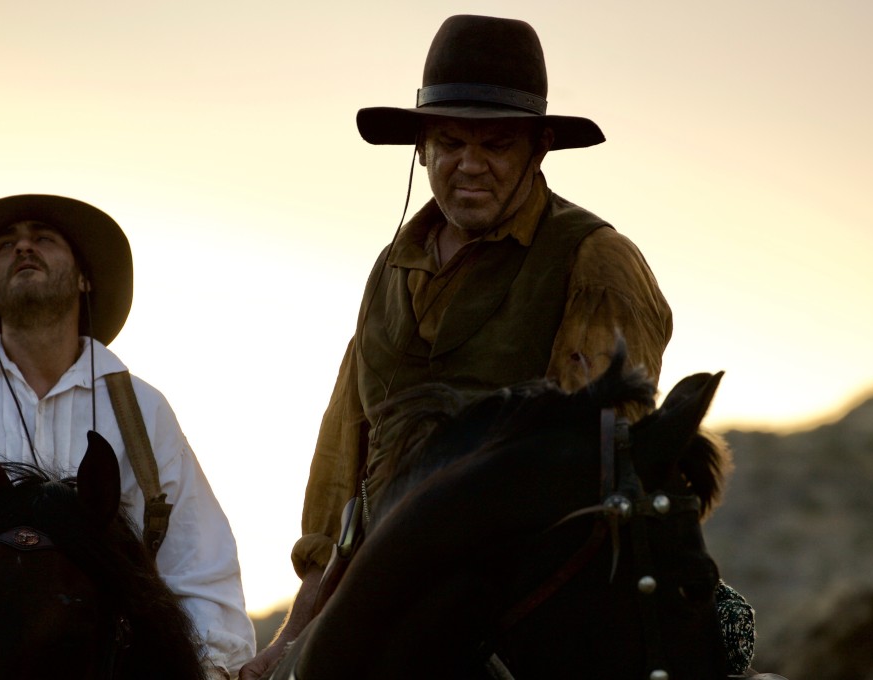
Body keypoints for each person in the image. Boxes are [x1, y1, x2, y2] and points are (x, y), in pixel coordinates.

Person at [243, 14, 753, 679]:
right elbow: (344, 453)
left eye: (497, 143)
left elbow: (580, 464)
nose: (469, 165)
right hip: (380, 588)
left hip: (515, 605)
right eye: (450, 141)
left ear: (539, 147)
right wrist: (299, 626)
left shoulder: (595, 260)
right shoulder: (391, 269)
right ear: (421, 148)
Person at [0, 195, 256, 678]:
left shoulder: (142, 408)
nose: (24, 248)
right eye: (6, 245)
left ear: (83, 279)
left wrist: (206, 669)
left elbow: (198, 563)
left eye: (44, 239)